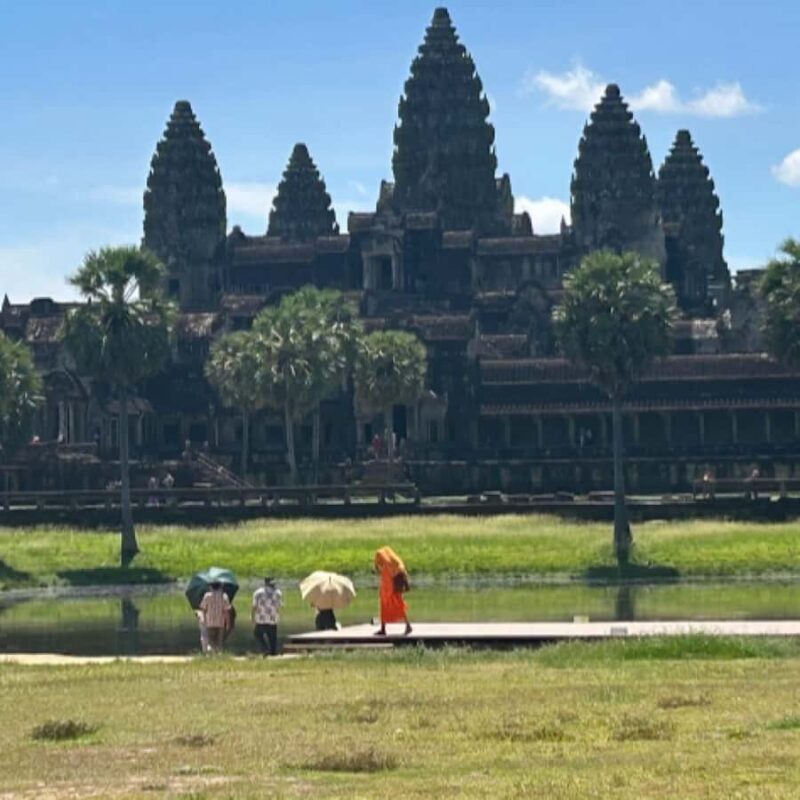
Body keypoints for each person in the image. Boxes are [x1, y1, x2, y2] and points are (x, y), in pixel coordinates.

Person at [374, 546, 412, 636]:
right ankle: (384, 628)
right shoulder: (395, 563)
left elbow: (386, 580)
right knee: (398, 606)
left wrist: (385, 592)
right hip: (393, 590)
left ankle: (406, 625)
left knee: (390, 607)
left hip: (389, 592)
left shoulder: (387, 567)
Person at [251, 577, 283, 656]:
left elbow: (254, 606)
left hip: (261, 619)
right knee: (272, 638)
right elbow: (279, 606)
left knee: (257, 634)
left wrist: (252, 617)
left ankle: (265, 649)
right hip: (273, 619)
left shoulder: (258, 593)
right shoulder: (278, 593)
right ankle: (273, 652)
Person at [199, 581, 231, 653]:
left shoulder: (207, 596)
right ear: (220, 587)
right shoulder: (224, 596)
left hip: (209, 622)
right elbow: (226, 612)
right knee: (219, 641)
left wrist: (203, 620)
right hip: (221, 622)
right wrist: (228, 623)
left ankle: (212, 653)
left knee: (211, 640)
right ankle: (218, 654)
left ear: (211, 587)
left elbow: (203, 609)